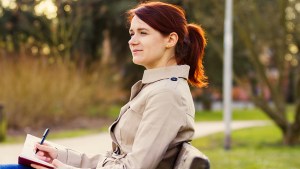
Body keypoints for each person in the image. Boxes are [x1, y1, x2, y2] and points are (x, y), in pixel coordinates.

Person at [0, 1, 207, 169]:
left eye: (143, 33)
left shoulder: (167, 94)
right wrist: (61, 155)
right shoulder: (157, 87)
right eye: (132, 33)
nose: (132, 40)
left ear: (170, 40)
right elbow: (116, 161)